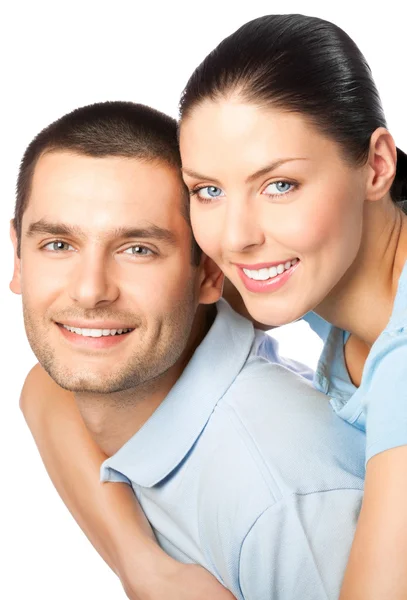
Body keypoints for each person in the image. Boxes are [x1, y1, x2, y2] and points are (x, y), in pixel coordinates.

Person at [12, 100, 365, 600]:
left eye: (138, 249)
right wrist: (142, 565)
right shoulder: (105, 382)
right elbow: (44, 388)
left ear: (209, 273)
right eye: (58, 245)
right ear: (18, 258)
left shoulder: (283, 504)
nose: (89, 292)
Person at [178, 13, 407, 600]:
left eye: (279, 185)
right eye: (208, 190)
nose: (235, 238)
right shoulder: (308, 269)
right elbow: (66, 372)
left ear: (376, 166)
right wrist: (146, 569)